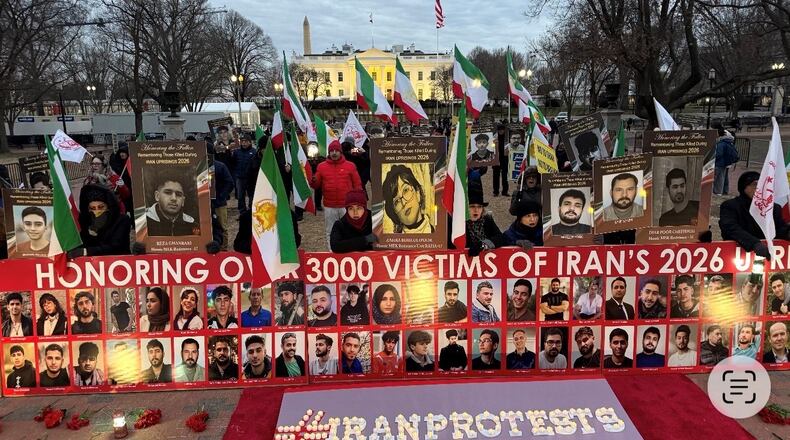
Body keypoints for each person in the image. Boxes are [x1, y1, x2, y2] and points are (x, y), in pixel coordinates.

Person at [720, 171, 790, 259]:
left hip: (767, 256)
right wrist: (754, 243)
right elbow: (730, 227)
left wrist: (787, 232)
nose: (759, 188)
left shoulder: (773, 208)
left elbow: (779, 228)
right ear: (744, 187)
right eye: (755, 184)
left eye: (762, 185)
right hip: (737, 255)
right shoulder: (731, 206)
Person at [311, 140, 362, 247]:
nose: (334, 153)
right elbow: (316, 186)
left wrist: (358, 201)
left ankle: (348, 251)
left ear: (341, 152)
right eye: (332, 151)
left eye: (336, 151)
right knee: (330, 230)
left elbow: (357, 185)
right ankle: (332, 252)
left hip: (347, 205)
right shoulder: (321, 167)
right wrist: (313, 179)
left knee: (349, 229)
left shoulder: (350, 166)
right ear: (329, 153)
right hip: (330, 206)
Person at [66, 184, 131, 257]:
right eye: (93, 208)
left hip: (118, 263)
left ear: (108, 206)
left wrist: (86, 251)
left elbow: (115, 247)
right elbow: (81, 241)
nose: (97, 211)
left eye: (100, 207)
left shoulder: (122, 220)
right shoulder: (86, 221)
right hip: (93, 265)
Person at [382, 164, 434, 234]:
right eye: (396, 201)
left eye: (406, 190)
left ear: (418, 193)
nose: (403, 203)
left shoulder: (437, 235)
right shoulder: (393, 242)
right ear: (394, 213)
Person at [466, 182, 507, 256]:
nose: (476, 210)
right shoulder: (458, 222)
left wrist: (484, 244)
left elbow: (500, 238)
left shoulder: (487, 220)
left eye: (479, 207)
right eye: (472, 206)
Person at [211, 149, 234, 250]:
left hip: (219, 203)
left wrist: (222, 196)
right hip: (203, 203)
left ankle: (223, 249)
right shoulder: (198, 166)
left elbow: (229, 182)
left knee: (222, 226)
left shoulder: (220, 166)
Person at [230, 133, 257, 212]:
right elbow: (233, 163)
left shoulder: (254, 152)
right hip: (240, 178)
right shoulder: (236, 152)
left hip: (250, 179)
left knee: (251, 195)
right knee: (240, 196)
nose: (244, 143)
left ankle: (251, 210)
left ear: (250, 142)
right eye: (242, 141)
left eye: (245, 141)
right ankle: (242, 211)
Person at [713, 128, 738, 195]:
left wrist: (714, 159)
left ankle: (717, 191)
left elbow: (719, 154)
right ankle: (720, 191)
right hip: (724, 163)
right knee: (722, 178)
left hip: (719, 163)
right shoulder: (728, 142)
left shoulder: (721, 143)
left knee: (717, 178)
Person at [492, 124, 509, 197]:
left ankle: (505, 191)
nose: (501, 131)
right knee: (496, 176)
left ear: (504, 130)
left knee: (505, 176)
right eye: (500, 130)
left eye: (502, 130)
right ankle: (496, 191)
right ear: (498, 130)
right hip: (496, 158)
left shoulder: (507, 138)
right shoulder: (494, 138)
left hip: (505, 159)